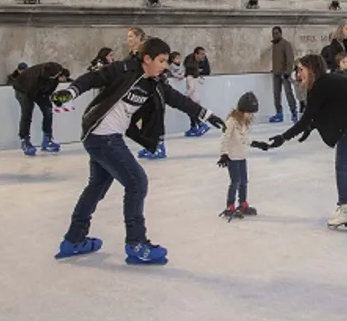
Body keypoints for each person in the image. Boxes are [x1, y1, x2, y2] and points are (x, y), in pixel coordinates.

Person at [51, 37, 226, 264]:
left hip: (102, 138)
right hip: (103, 135)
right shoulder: (123, 69)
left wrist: (207, 115)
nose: (165, 66)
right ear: (147, 59)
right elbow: (93, 78)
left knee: (97, 186)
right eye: (161, 61)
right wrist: (70, 92)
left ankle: (74, 240)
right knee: (137, 182)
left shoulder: (154, 83)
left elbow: (178, 100)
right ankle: (136, 244)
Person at [263, 53, 347, 229]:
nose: (298, 73)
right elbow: (326, 110)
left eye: (301, 69)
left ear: (311, 69)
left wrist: (283, 137)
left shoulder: (319, 86)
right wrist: (311, 128)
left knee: (341, 166)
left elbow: (305, 119)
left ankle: (345, 209)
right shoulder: (329, 80)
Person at [218, 91, 265, 221]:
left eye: (252, 114)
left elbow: (245, 139)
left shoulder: (244, 123)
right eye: (249, 113)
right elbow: (224, 138)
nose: (251, 116)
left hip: (241, 157)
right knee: (235, 182)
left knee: (244, 182)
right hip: (232, 157)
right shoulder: (231, 122)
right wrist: (224, 154)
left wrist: (257, 144)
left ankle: (243, 204)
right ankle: (230, 206)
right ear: (241, 111)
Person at [8, 61, 71, 155]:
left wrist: (55, 101)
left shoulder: (56, 74)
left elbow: (49, 91)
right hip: (22, 89)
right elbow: (30, 94)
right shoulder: (34, 77)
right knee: (27, 112)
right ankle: (25, 140)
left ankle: (47, 139)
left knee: (48, 111)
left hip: (39, 90)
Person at [268, 26, 298, 123]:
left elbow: (290, 59)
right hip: (276, 74)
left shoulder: (286, 44)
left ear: (280, 33)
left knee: (288, 93)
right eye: (273, 33)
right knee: (276, 94)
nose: (275, 35)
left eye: (276, 33)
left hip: (284, 74)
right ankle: (279, 114)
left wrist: (287, 72)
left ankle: (294, 112)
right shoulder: (274, 45)